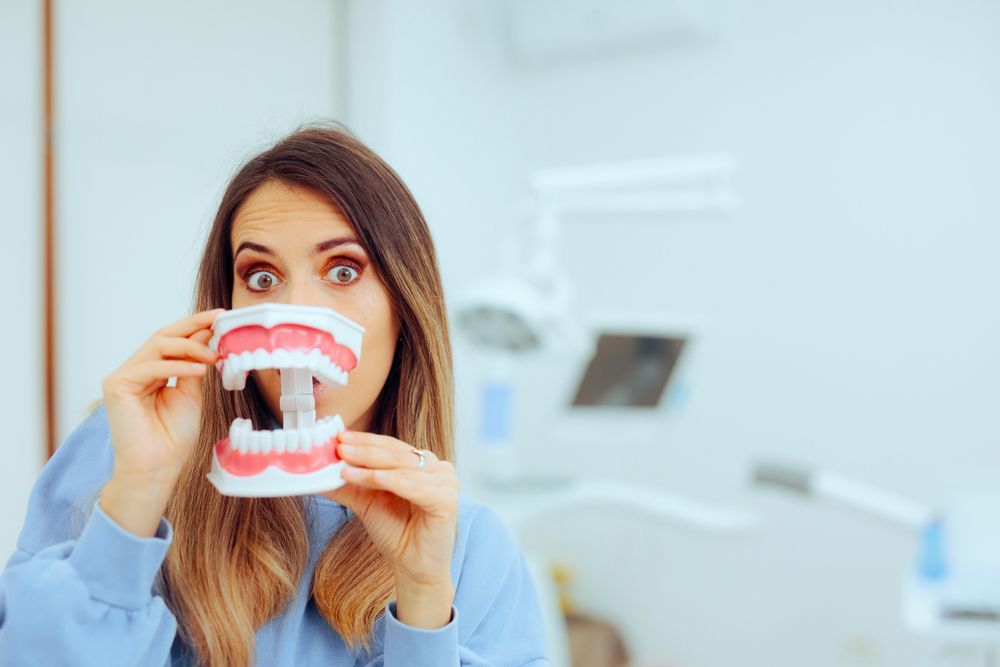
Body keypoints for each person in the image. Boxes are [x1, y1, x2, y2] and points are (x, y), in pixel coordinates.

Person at [0, 125, 549, 666]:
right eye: (261, 277)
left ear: (405, 304)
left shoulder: (473, 551)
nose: (293, 310)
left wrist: (425, 599)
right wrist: (137, 494)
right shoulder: (117, 454)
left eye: (342, 269)